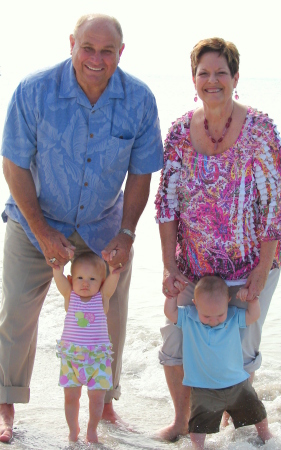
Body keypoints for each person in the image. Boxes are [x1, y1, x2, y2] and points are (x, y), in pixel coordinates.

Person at [0, 13, 163, 442]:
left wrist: (127, 233)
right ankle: (6, 407)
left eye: (107, 50)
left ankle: (106, 402)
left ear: (120, 53)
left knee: (109, 316)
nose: (96, 58)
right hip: (33, 220)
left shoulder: (140, 100)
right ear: (71, 43)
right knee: (16, 311)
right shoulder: (34, 91)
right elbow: (13, 163)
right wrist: (41, 230)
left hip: (102, 227)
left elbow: (142, 174)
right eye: (88, 47)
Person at [154, 37, 281, 441]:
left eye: (221, 73)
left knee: (241, 349)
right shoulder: (179, 132)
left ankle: (235, 419)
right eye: (203, 73)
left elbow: (274, 212)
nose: (212, 81)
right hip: (193, 267)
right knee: (175, 342)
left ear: (236, 77)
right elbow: (166, 205)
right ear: (193, 79)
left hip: (252, 265)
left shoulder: (261, 131)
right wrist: (169, 265)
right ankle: (183, 421)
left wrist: (261, 274)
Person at [165, 276, 272, 449]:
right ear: (195, 304)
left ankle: (265, 435)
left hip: (237, 383)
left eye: (219, 315)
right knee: (198, 423)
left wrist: (253, 300)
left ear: (228, 302)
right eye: (206, 316)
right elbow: (171, 313)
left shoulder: (232, 316)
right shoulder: (189, 317)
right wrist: (171, 296)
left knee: (256, 411)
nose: (213, 321)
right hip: (203, 387)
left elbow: (253, 316)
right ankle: (198, 447)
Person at [53, 252, 119, 443]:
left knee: (97, 399)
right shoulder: (70, 296)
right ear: (71, 279)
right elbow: (59, 278)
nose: (85, 283)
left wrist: (114, 270)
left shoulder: (102, 298)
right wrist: (57, 269)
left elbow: (112, 283)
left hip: (97, 361)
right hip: (71, 360)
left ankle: (92, 430)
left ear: (101, 282)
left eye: (92, 279)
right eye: (80, 278)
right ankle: (73, 430)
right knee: (70, 398)